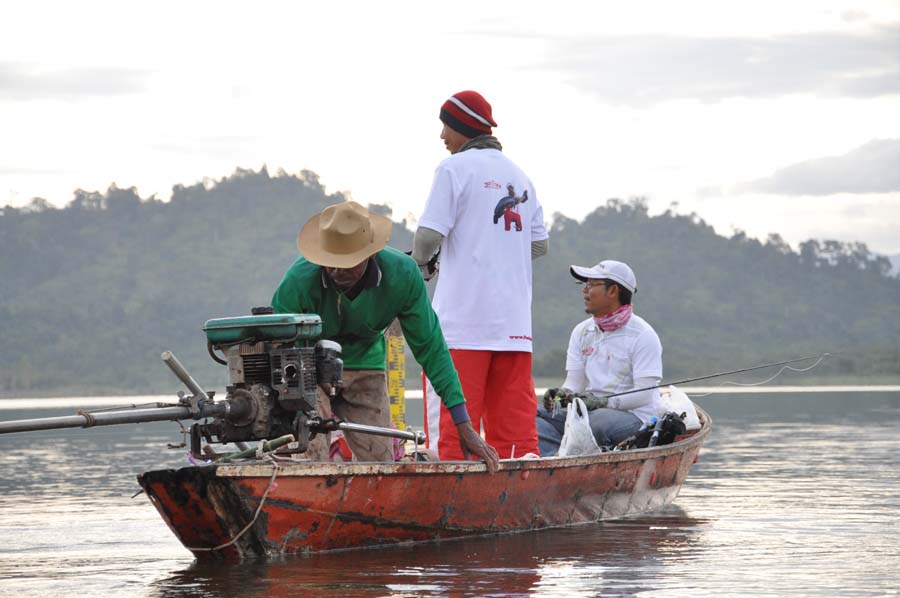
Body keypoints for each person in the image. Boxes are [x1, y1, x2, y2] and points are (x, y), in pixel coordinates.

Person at [271, 200, 500, 472]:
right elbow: (277, 347)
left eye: (347, 264)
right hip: (307, 369)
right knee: (308, 455)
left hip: (365, 364)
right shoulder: (298, 280)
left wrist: (464, 424)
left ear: (369, 256)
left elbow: (432, 348)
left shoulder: (402, 275)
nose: (336, 271)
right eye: (330, 263)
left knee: (379, 463)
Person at [412, 90, 549, 460]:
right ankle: (520, 500)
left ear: (462, 128)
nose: (442, 137)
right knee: (516, 441)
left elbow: (427, 236)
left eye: (446, 127)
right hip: (515, 328)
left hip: (462, 324)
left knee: (452, 438)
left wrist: (422, 267)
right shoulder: (520, 176)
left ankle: (449, 503)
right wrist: (499, 253)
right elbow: (539, 246)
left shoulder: (454, 168)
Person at [536, 260, 662, 455]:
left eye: (591, 285)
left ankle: (572, 455)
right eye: (584, 285)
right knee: (531, 415)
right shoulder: (582, 332)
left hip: (634, 417)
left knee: (595, 423)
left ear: (613, 291)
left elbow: (644, 394)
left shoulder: (643, 335)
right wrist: (562, 395)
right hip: (590, 412)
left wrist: (603, 402)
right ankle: (556, 459)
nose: (585, 291)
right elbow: (575, 382)